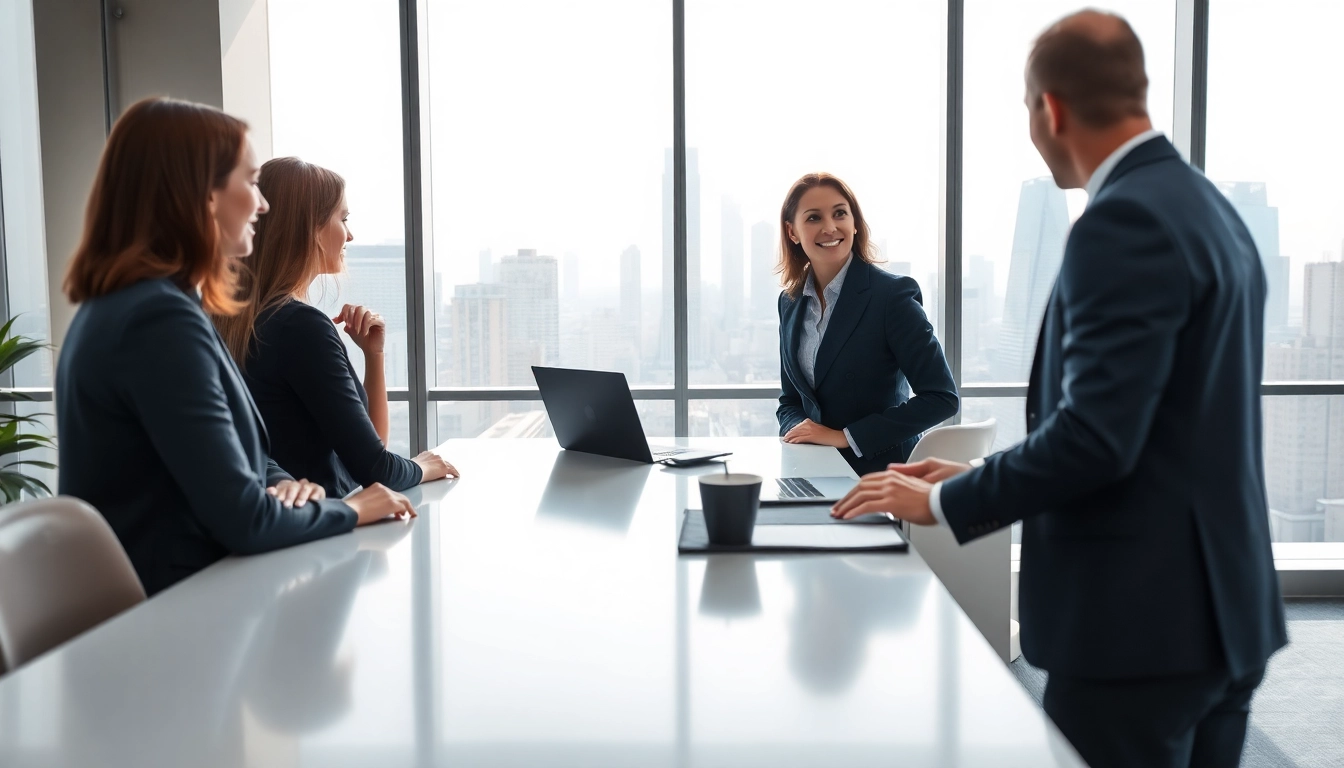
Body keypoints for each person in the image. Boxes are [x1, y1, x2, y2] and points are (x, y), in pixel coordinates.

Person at [832, 11, 1286, 768]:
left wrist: (942, 502)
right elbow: (1157, 425)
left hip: (1136, 630)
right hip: (1222, 612)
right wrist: (976, 475)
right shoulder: (1212, 211)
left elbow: (1098, 439)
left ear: (1051, 110)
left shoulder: (1123, 222)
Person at [58, 97, 418, 596]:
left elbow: (228, 451)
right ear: (204, 195)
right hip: (177, 615)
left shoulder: (149, 306)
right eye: (250, 184)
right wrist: (349, 509)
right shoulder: (157, 320)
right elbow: (243, 521)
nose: (263, 204)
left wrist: (283, 485)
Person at [213, 157, 457, 498]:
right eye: (343, 219)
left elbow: (368, 449)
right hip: (326, 531)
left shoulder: (228, 318)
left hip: (286, 528)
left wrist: (374, 356)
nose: (350, 234)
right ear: (310, 228)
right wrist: (424, 466)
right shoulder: (300, 326)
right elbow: (375, 469)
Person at [775, 172, 958, 476]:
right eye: (813, 218)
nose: (830, 227)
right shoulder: (790, 302)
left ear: (855, 223)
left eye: (840, 213)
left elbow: (941, 398)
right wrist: (800, 432)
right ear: (792, 231)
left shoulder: (892, 296)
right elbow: (790, 400)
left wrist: (844, 437)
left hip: (879, 474)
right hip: (811, 468)